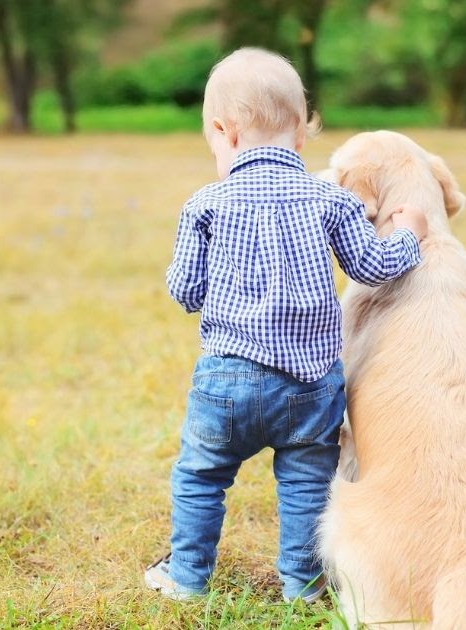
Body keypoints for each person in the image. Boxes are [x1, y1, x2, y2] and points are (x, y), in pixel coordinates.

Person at [144, 47, 429, 603]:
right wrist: (409, 233)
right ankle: (303, 585)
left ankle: (186, 577)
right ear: (300, 134)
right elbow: (372, 268)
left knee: (201, 478)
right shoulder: (329, 198)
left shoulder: (204, 204)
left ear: (223, 133)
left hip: (226, 383)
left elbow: (184, 291)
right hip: (309, 386)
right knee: (305, 487)